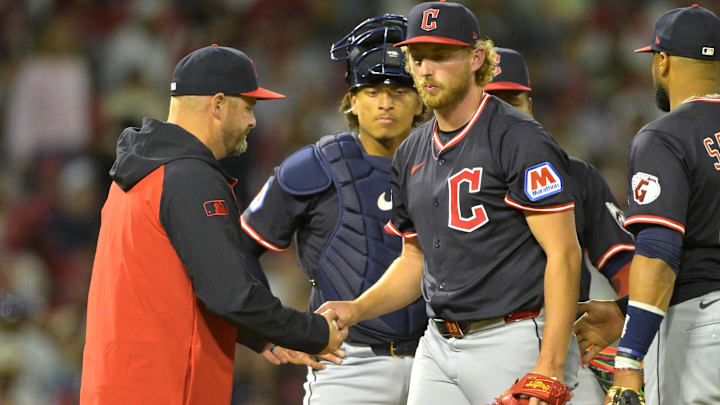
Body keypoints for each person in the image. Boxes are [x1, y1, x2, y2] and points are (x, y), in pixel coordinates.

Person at [318, 3, 582, 404]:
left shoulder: (518, 138)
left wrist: (550, 363)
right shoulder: (410, 152)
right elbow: (414, 260)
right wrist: (356, 310)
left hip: (512, 337)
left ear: (477, 58)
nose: (425, 69)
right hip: (438, 345)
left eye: (440, 56)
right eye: (417, 57)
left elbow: (563, 252)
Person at [79, 45, 347, 405]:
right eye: (248, 107)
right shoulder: (191, 177)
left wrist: (262, 336)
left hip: (119, 383)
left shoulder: (141, 169)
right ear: (218, 104)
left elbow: (186, 286)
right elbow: (232, 295)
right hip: (166, 388)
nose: (253, 121)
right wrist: (313, 332)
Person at [239, 15, 428, 404]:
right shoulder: (314, 166)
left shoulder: (452, 164)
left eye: (399, 89)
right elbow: (241, 250)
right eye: (372, 90)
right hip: (350, 361)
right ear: (352, 101)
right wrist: (278, 328)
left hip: (440, 357)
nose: (386, 102)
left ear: (421, 100)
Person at [573, 5, 720, 405]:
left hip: (702, 328)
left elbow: (659, 252)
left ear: (663, 61)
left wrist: (629, 357)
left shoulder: (666, 135)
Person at [485, 47, 635, 403]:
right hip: (471, 340)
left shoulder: (576, 175)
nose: (505, 116)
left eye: (514, 103)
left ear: (531, 107)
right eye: (493, 105)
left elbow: (624, 262)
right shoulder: (444, 178)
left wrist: (624, 311)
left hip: (560, 337)